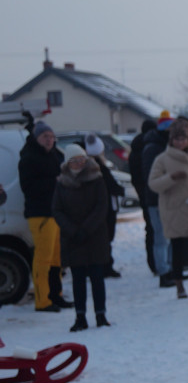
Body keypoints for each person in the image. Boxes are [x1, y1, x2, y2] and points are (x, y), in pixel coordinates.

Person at [52, 144, 111, 332]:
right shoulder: (62, 183)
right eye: (75, 160)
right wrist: (72, 230)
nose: (79, 163)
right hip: (73, 238)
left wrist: (86, 229)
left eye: (81, 159)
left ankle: (100, 314)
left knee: (97, 277)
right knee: (77, 279)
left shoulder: (96, 178)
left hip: (94, 235)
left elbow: (102, 206)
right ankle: (80, 316)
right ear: (67, 163)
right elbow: (57, 210)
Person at [148, 118, 188, 299]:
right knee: (177, 249)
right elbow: (153, 184)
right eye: (177, 139)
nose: (180, 142)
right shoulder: (162, 159)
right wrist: (171, 178)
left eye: (183, 139)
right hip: (174, 209)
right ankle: (180, 286)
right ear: (171, 140)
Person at [18, 119, 70, 312]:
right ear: (36, 138)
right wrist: (54, 181)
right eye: (44, 136)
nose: (49, 140)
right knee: (43, 258)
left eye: (51, 136)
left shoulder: (54, 155)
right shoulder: (28, 158)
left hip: (56, 212)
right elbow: (28, 187)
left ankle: (56, 295)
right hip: (40, 214)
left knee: (57, 258)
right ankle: (42, 301)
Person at [84, 132, 125, 278]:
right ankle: (105, 266)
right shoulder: (98, 167)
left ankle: (103, 266)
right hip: (105, 208)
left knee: (103, 239)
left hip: (102, 208)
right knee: (105, 239)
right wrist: (120, 190)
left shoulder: (91, 166)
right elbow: (110, 186)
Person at [142, 110, 175, 286]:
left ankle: (170, 269)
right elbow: (150, 177)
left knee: (169, 235)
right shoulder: (153, 148)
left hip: (169, 198)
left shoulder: (165, 146)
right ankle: (163, 272)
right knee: (161, 237)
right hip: (156, 200)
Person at [129, 119, 157, 274]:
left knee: (150, 229)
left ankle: (152, 262)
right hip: (152, 194)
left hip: (142, 193)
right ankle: (158, 263)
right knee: (156, 230)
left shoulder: (134, 149)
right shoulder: (151, 148)